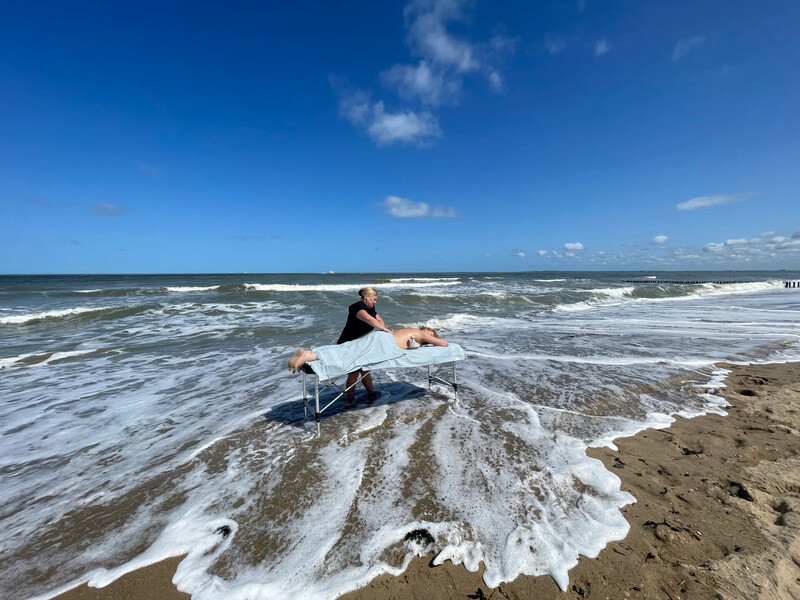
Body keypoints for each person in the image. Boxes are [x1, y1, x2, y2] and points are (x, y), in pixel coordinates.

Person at [287, 327, 448, 374]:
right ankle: (309, 356)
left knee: (347, 348)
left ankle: (309, 352)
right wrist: (432, 338)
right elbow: (444, 343)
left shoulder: (414, 332)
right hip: (384, 344)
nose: (428, 329)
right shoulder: (420, 333)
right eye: (427, 329)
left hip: (379, 337)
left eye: (431, 330)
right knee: (349, 355)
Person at [336, 287, 391, 400]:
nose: (375, 302)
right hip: (348, 344)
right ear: (367, 298)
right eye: (374, 299)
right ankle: (350, 401)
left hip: (360, 344)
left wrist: (383, 329)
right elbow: (369, 320)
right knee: (354, 373)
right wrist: (385, 330)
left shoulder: (371, 307)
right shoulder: (356, 307)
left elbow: (379, 320)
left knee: (365, 369)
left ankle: (372, 394)